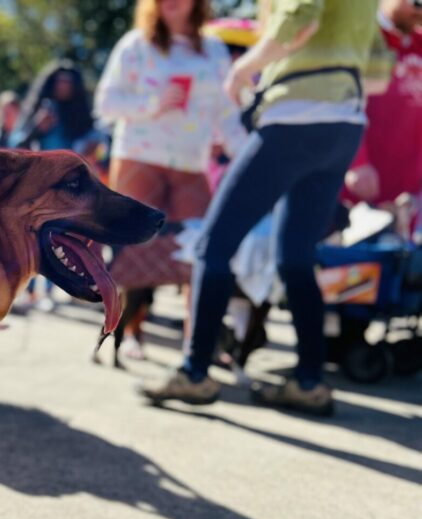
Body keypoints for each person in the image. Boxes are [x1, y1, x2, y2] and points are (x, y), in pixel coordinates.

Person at [141, 0, 383, 416]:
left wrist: (243, 70)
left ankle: (194, 374)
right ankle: (310, 382)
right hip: (345, 122)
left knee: (212, 247)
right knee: (296, 258)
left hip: (294, 116)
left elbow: (301, 16)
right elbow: (378, 72)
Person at [95, 0, 245, 361]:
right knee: (133, 252)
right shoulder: (136, 44)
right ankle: (128, 333)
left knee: (198, 255)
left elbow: (228, 115)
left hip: (191, 166)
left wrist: (250, 157)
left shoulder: (213, 50)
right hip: (138, 159)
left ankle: (196, 347)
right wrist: (153, 103)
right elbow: (105, 103)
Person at [344, 0, 422, 209]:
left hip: (407, 194)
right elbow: (342, 99)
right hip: (359, 189)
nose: (418, 9)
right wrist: (356, 161)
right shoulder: (365, 38)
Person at [13, 60, 96, 153]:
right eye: (60, 81)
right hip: (42, 165)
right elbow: (15, 147)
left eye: (68, 81)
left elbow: (100, 149)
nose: (64, 86)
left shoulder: (83, 116)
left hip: (73, 165)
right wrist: (36, 128)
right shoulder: (36, 110)